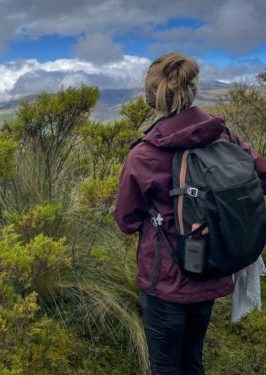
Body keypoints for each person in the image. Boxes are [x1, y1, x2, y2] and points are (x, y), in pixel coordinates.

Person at [113, 52, 266, 374]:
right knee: (192, 357)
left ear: (151, 97)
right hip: (215, 267)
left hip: (166, 279)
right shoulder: (224, 136)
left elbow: (126, 220)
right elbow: (260, 176)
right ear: (193, 90)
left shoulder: (145, 153)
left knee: (166, 364)